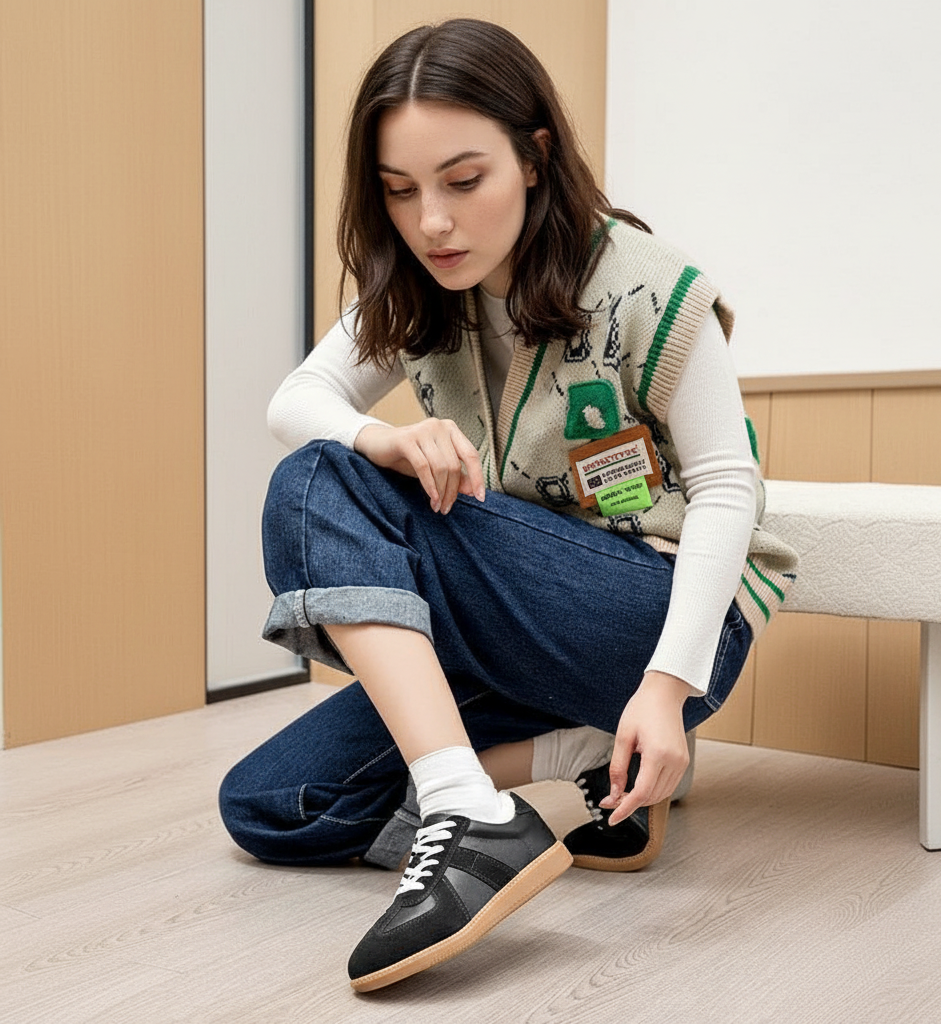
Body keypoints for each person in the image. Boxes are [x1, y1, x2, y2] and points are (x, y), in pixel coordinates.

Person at [219, 18, 798, 992]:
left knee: (314, 480)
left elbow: (726, 488)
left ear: (532, 158)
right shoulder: (414, 290)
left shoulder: (648, 285)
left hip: (657, 624)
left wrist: (663, 688)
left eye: (461, 180)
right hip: (519, 622)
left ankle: (476, 801)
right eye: (399, 192)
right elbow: (297, 399)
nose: (430, 221)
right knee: (270, 803)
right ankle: (561, 760)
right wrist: (387, 437)